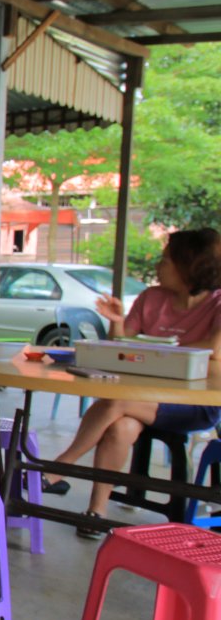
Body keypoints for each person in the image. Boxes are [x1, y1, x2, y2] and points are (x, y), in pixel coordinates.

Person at [42, 228, 221, 538]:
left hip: (193, 405)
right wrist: (118, 323)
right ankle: (97, 512)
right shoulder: (151, 298)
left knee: (115, 402)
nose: (159, 267)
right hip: (142, 399)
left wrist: (156, 349)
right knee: (119, 424)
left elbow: (215, 349)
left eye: (166, 260)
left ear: (189, 265)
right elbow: (123, 347)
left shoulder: (217, 303)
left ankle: (61, 468)